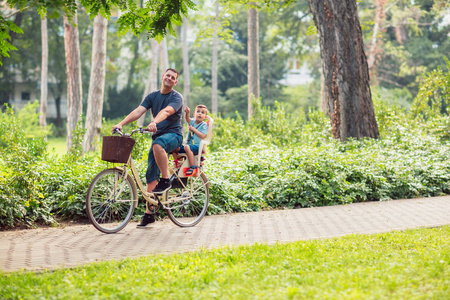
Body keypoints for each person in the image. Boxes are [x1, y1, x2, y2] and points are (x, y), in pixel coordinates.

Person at [112, 68, 183, 228]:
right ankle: (150, 214)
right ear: (163, 76)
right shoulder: (153, 96)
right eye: (168, 76)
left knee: (158, 144)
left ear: (175, 82)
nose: (170, 79)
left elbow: (166, 111)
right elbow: (138, 111)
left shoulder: (176, 97)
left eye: (173, 78)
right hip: (159, 137)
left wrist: (154, 123)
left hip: (174, 135)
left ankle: (165, 180)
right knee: (150, 174)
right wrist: (121, 124)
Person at [172, 104, 209, 176]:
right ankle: (178, 163)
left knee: (186, 147)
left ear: (205, 117)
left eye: (202, 112)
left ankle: (192, 166)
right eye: (198, 112)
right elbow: (188, 119)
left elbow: (203, 136)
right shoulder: (192, 122)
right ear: (194, 114)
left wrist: (193, 129)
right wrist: (187, 112)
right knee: (175, 147)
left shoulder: (204, 125)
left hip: (198, 147)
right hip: (189, 146)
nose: (200, 114)